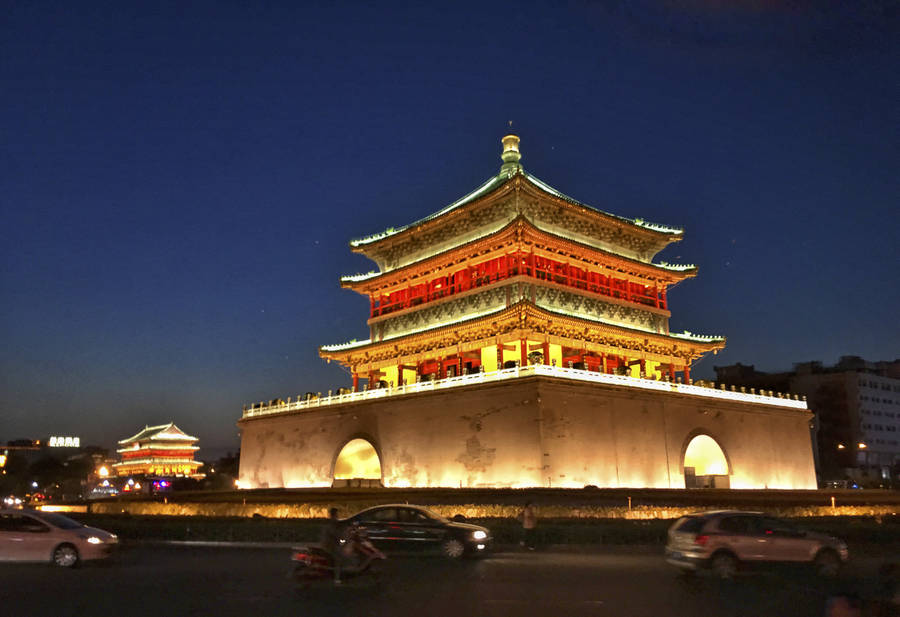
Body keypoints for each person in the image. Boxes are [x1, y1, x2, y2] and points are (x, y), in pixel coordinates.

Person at [320, 507, 345, 584]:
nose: (338, 516)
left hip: (330, 544)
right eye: (337, 514)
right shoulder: (332, 523)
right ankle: (336, 578)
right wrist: (342, 541)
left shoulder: (332, 523)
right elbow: (336, 535)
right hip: (329, 546)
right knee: (338, 558)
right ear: (334, 515)